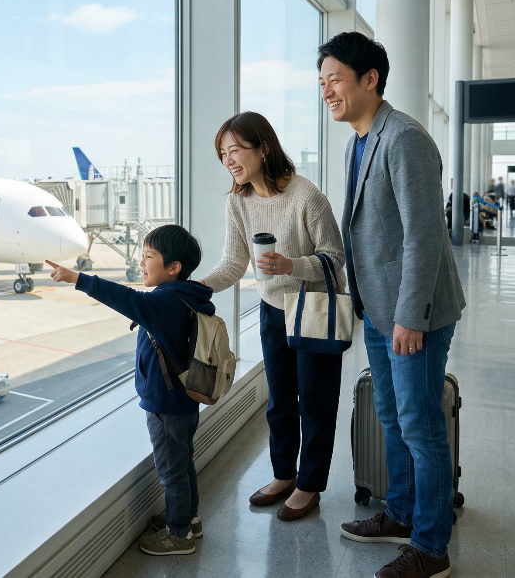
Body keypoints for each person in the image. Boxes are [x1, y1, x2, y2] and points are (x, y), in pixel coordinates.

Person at [320, 31, 465, 578]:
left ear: (369, 79)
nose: (327, 91)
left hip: (413, 312)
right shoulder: (361, 139)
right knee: (391, 416)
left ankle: (431, 547)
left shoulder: (404, 137)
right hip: (380, 307)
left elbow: (425, 235)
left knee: (421, 425)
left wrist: (411, 316)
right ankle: (402, 512)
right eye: (323, 82)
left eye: (335, 79)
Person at [198, 111, 344, 522]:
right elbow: (232, 263)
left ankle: (309, 484)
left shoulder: (305, 196)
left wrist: (291, 266)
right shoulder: (237, 202)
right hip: (273, 310)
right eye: (222, 153)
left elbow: (335, 261)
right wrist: (193, 289)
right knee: (280, 400)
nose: (229, 159)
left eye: (236, 150)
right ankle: (284, 474)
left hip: (313, 308)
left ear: (263, 148)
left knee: (315, 402)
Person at [45, 225, 214, 556]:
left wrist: (77, 278)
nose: (142, 263)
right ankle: (189, 518)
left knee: (171, 469)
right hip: (184, 398)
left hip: (166, 402)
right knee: (183, 462)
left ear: (173, 268)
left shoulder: (163, 302)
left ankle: (179, 535)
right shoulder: (187, 295)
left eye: (149, 256)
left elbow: (123, 297)